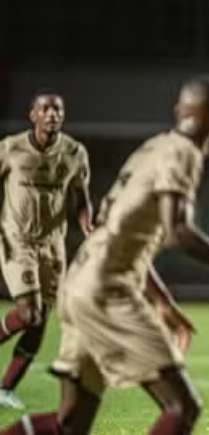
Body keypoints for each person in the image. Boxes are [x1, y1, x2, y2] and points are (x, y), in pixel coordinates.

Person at [1, 76, 209, 435]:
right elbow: (177, 231)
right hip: (106, 292)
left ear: (180, 110)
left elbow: (116, 228)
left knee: (70, 423)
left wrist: (162, 301)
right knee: (182, 406)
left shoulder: (152, 148)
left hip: (78, 283)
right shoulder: (184, 153)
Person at [0, 91, 93, 409]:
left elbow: (81, 197)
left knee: (40, 320)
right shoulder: (10, 148)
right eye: (46, 109)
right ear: (33, 115)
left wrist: (87, 223)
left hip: (53, 246)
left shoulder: (74, 152)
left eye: (58, 110)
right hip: (17, 240)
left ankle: (5, 389)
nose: (52, 114)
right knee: (29, 312)